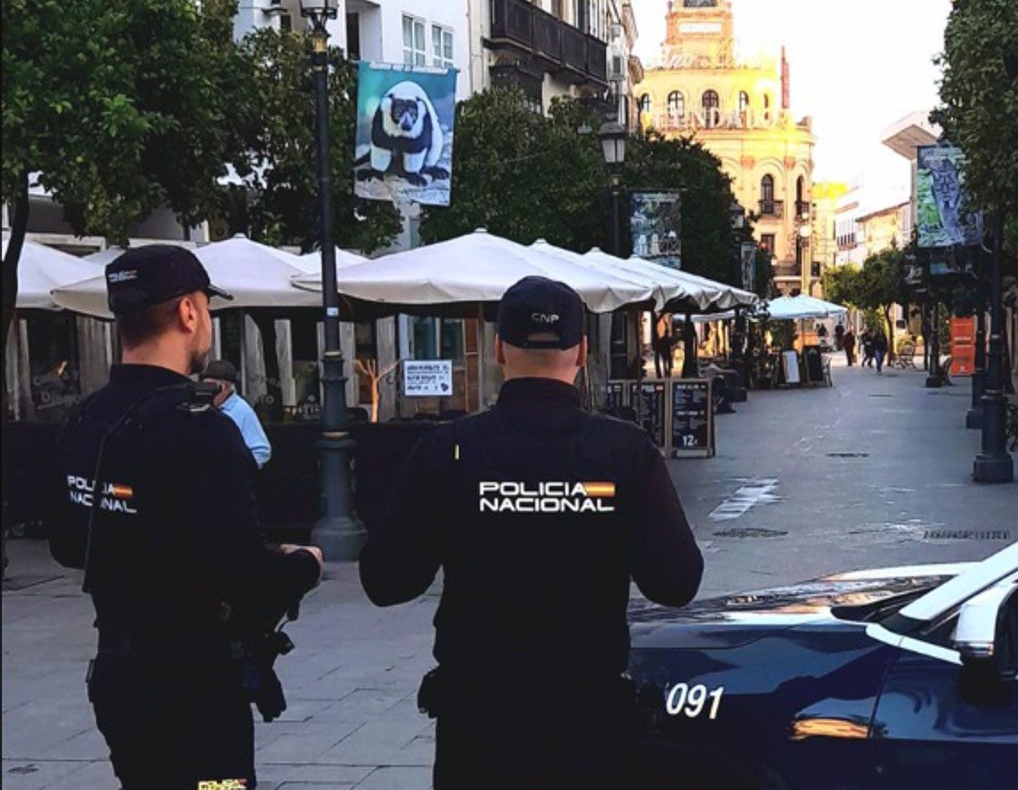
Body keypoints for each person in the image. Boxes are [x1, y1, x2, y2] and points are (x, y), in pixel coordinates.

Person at [359, 276, 704, 790]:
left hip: (478, 728)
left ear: (499, 348)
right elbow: (676, 582)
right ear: (583, 351)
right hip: (589, 724)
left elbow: (386, 581)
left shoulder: (448, 450)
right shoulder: (624, 452)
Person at [50, 245, 323, 789]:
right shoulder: (200, 427)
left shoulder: (84, 419)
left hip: (118, 675)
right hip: (194, 686)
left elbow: (66, 544)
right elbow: (245, 574)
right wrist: (304, 564)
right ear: (188, 313)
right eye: (206, 309)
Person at [200, 360, 272, 468]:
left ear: (226, 388)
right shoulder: (203, 407)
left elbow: (261, 450)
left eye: (212, 387)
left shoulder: (242, 410)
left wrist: (238, 471)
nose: (208, 393)